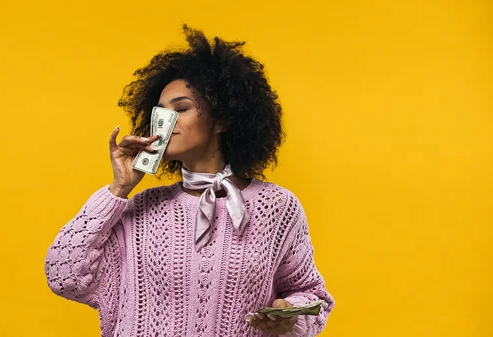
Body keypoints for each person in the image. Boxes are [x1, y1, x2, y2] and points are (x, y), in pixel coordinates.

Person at [44, 25, 335, 337]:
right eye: (160, 112)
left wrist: (289, 317)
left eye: (181, 108)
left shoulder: (277, 207)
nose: (166, 122)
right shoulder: (140, 208)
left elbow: (311, 296)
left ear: (222, 119)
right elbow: (64, 275)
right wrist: (119, 188)